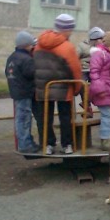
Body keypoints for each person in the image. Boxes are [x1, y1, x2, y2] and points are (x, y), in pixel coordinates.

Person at [33, 14, 82, 155]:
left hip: (43, 88)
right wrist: (77, 88)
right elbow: (75, 70)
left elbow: (34, 65)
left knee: (45, 118)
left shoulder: (38, 45)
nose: (71, 32)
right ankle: (67, 145)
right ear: (66, 29)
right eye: (71, 29)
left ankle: (48, 145)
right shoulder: (67, 47)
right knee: (65, 117)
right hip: (63, 87)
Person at [5, 30, 40, 153]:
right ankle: (25, 144)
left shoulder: (12, 57)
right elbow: (31, 74)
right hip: (25, 92)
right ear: (27, 45)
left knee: (21, 118)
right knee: (25, 119)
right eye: (31, 44)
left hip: (16, 92)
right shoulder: (26, 59)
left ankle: (26, 142)